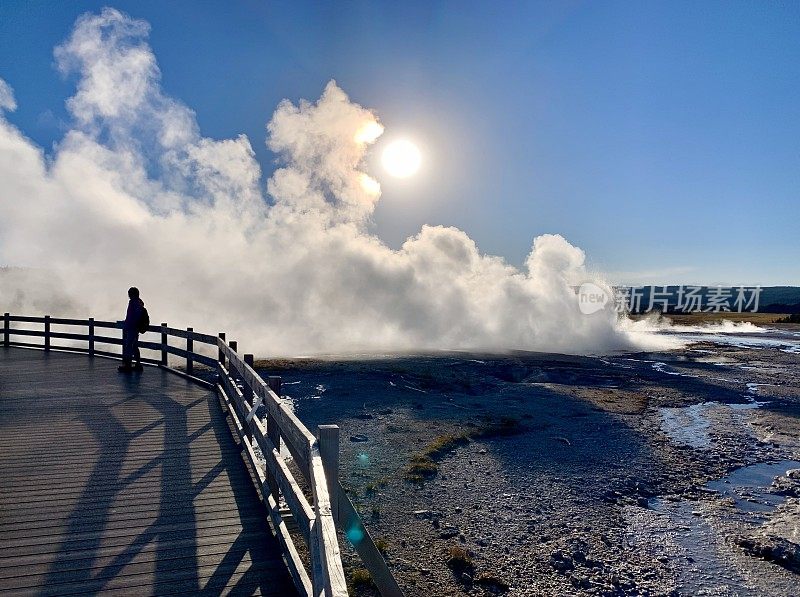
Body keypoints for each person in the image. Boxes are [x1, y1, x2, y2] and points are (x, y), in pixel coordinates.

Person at [119, 287, 144, 372]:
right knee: (134, 346)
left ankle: (128, 365)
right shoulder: (139, 302)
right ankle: (137, 363)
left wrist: (129, 323)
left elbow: (133, 316)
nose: (128, 295)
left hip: (132, 328)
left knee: (129, 345)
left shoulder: (134, 302)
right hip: (135, 328)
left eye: (129, 293)